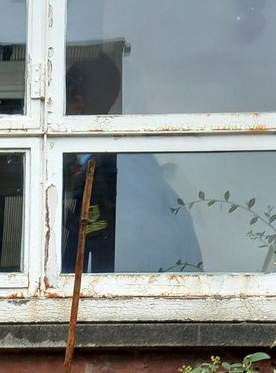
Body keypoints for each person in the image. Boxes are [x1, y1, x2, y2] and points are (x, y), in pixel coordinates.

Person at [62, 53, 201, 274]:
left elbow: (128, 248)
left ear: (78, 104)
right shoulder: (125, 160)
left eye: (61, 106)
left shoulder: (117, 166)